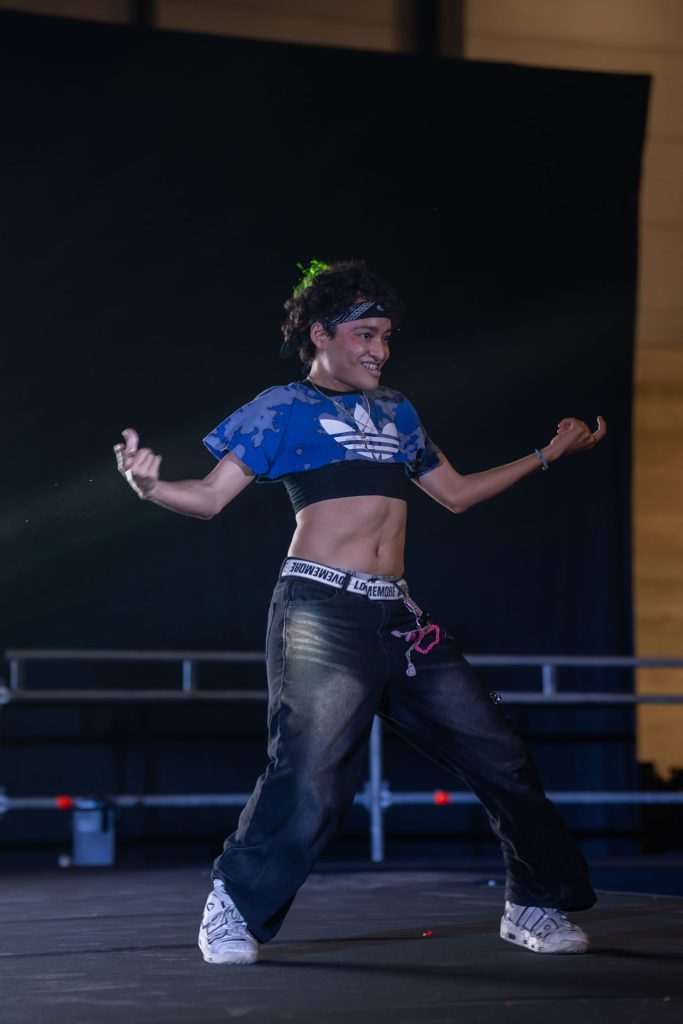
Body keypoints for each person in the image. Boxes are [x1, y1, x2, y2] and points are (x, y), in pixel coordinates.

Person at [115, 259, 606, 964]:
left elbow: (456, 494)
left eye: (386, 336)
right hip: (321, 609)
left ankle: (533, 900)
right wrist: (151, 487)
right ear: (321, 334)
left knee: (500, 752)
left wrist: (547, 454)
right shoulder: (282, 407)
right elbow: (210, 498)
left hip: (399, 616)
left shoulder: (398, 411)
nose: (380, 349)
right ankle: (234, 905)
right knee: (312, 773)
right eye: (365, 334)